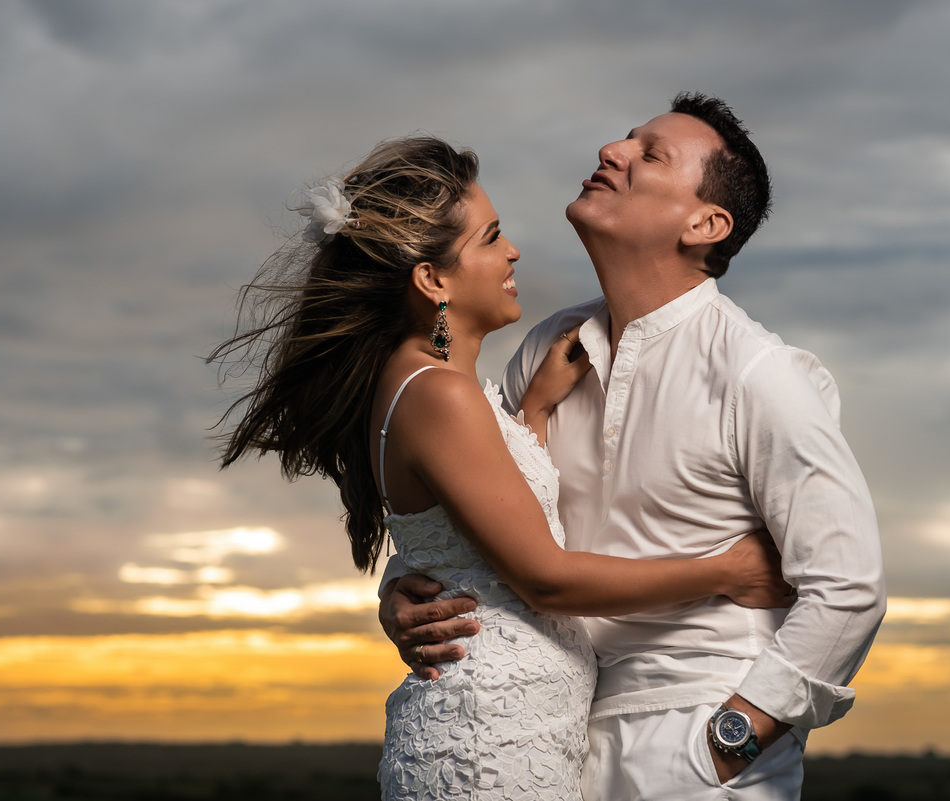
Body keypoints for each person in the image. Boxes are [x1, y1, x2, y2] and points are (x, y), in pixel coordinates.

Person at [209, 135, 793, 801]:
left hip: (514, 732)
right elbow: (545, 578)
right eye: (490, 238)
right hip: (488, 744)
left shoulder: (436, 387)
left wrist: (533, 412)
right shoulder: (439, 393)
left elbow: (481, 529)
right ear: (432, 281)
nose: (511, 251)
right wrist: (727, 571)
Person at [379, 94, 887, 800]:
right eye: (625, 139)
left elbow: (850, 585)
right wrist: (402, 595)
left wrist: (733, 739)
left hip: (697, 727)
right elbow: (487, 515)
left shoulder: (758, 372)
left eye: (650, 154)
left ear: (705, 224)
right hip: (558, 737)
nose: (611, 152)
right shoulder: (548, 349)